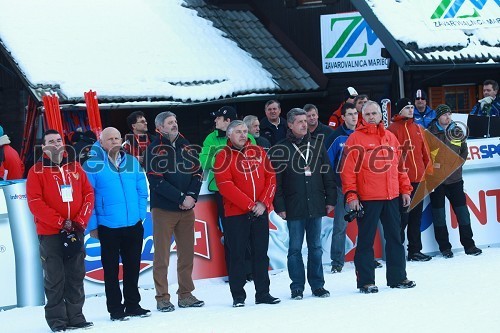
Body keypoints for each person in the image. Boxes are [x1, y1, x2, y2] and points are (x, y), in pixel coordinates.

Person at [341, 101, 416, 293]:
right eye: (367, 114)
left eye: (374, 113)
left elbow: (400, 167)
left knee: (395, 238)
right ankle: (366, 281)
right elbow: (348, 171)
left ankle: (398, 277)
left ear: (380, 115)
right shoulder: (355, 139)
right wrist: (351, 195)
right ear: (362, 117)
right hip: (368, 197)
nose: (371, 117)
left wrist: (405, 190)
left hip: (392, 196)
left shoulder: (390, 137)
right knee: (366, 240)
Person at [26, 129, 94, 332]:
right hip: (50, 233)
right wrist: (60, 222)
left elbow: (88, 193)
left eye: (58, 140)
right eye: (51, 141)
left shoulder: (75, 167)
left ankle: (76, 317)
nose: (56, 144)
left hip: (75, 230)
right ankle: (58, 321)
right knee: (55, 278)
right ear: (44, 146)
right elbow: (35, 203)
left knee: (75, 275)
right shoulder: (36, 170)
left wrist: (79, 221)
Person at [83, 127, 150, 321]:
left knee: (132, 267)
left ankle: (133, 304)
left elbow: (142, 190)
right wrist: (93, 225)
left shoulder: (131, 162)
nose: (114, 141)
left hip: (133, 224)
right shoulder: (92, 165)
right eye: (109, 139)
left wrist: (139, 214)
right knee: (111, 270)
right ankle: (115, 309)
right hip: (108, 225)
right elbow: (88, 197)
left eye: (116, 138)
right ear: (101, 142)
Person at [269, 108, 336, 300]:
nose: (304, 124)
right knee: (295, 249)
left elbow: (327, 174)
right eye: (299, 121)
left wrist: (331, 199)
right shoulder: (281, 148)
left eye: (305, 121)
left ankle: (318, 285)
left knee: (316, 247)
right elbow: (277, 181)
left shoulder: (317, 144)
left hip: (316, 203)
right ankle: (297, 286)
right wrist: (279, 206)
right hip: (294, 204)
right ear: (289, 124)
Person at [213, 120, 280, 307]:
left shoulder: (258, 151)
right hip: (236, 214)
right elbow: (225, 186)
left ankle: (263, 293)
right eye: (238, 132)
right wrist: (250, 205)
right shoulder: (222, 156)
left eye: (245, 131)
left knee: (261, 254)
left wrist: (263, 203)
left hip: (259, 211)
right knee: (237, 255)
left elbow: (271, 177)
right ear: (229, 135)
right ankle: (238, 296)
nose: (243, 135)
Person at [144, 111, 204, 312]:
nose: (174, 125)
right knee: (161, 256)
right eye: (170, 123)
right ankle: (162, 297)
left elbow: (198, 172)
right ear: (159, 128)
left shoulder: (186, 145)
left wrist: (191, 197)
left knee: (187, 254)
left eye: (175, 121)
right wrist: (180, 198)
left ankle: (185, 294)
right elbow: (156, 180)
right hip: (164, 209)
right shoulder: (154, 149)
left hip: (187, 209)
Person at [199, 106, 254, 279]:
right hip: (222, 192)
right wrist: (228, 156)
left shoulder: (249, 137)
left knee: (249, 229)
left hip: (246, 191)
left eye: (218, 118)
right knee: (230, 232)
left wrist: (221, 156)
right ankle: (235, 272)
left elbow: (253, 160)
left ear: (228, 121)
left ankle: (251, 270)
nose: (215, 121)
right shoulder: (211, 137)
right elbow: (205, 162)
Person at [428, 104, 482, 258]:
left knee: (462, 213)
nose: (448, 117)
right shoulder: (430, 133)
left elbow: (464, 151)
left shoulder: (456, 131)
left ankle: (469, 245)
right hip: (437, 181)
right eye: (445, 115)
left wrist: (457, 165)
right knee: (439, 216)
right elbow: (425, 156)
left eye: (449, 114)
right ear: (438, 117)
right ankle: (445, 248)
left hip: (455, 180)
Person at [388, 99, 432, 262]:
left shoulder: (418, 128)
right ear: (400, 111)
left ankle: (414, 250)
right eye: (407, 108)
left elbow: (425, 153)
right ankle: (396, 251)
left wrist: (429, 175)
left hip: (419, 179)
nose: (411, 110)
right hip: (402, 183)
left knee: (416, 218)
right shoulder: (392, 130)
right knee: (402, 218)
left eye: (412, 107)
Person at [327, 103, 358, 273]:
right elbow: (327, 164)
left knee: (367, 224)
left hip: (364, 186)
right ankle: (337, 262)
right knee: (340, 226)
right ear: (343, 117)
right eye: (350, 114)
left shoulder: (362, 133)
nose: (354, 117)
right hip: (343, 188)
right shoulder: (336, 136)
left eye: (356, 113)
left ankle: (364, 257)